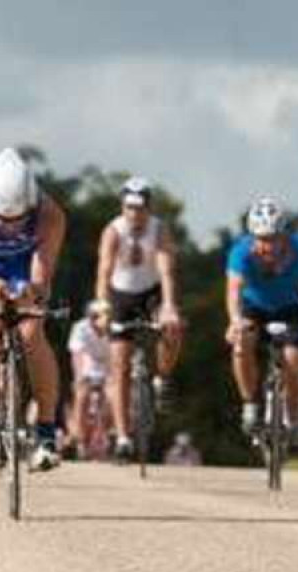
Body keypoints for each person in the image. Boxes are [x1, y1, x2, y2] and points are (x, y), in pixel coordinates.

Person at [0, 147, 66, 472]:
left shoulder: (51, 214)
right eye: (2, 219)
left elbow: (42, 271)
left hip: (24, 266)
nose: (9, 226)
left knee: (32, 332)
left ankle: (47, 432)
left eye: (18, 219)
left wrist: (30, 292)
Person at [95, 176, 184, 462]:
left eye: (139, 208)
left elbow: (166, 269)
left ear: (149, 208)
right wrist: (102, 307)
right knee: (119, 365)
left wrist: (169, 305)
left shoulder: (159, 230)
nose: (134, 214)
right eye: (129, 208)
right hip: (121, 295)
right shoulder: (113, 231)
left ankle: (163, 376)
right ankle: (123, 436)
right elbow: (104, 271)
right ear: (123, 207)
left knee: (171, 328)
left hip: (151, 292)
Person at [225, 197, 298, 442]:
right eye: (261, 239)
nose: (266, 245)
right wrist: (235, 320)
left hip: (291, 307)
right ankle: (249, 402)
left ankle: (292, 419)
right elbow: (234, 290)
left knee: (293, 362)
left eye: (272, 238)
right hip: (254, 307)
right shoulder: (241, 251)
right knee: (241, 344)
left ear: (284, 235)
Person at [67, 300, 113, 459]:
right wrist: (79, 377)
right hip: (88, 365)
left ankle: (108, 432)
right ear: (93, 318)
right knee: (82, 395)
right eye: (103, 316)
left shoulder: (114, 328)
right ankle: (79, 437)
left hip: (108, 366)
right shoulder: (80, 328)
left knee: (112, 396)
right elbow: (77, 356)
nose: (107, 319)